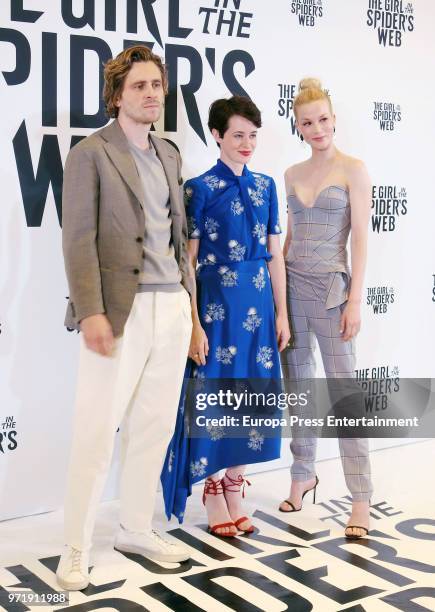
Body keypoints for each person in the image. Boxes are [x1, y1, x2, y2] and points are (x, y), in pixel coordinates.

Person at [57, 45, 193, 591]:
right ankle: (74, 548)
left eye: (157, 85)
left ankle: (136, 527)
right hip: (119, 311)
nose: (151, 94)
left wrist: (188, 305)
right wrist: (91, 310)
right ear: (117, 95)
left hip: (173, 307)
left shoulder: (170, 153)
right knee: (96, 433)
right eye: (139, 86)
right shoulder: (90, 153)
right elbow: (77, 240)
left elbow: (177, 237)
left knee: (154, 427)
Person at [161, 96, 290, 537]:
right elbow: (189, 261)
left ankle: (235, 487)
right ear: (216, 135)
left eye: (253, 135)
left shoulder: (266, 186)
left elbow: (274, 256)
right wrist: (194, 322)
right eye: (237, 135)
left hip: (258, 305)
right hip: (216, 308)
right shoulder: (199, 188)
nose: (247, 143)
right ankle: (213, 490)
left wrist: (283, 313)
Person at [279, 78, 373, 539]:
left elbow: (360, 239)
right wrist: (277, 299)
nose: (317, 128)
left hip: (334, 291)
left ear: (334, 120)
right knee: (300, 389)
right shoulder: (291, 174)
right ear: (298, 126)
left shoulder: (354, 169)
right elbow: (290, 238)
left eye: (323, 119)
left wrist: (355, 299)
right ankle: (302, 476)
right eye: (307, 122)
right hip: (293, 289)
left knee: (344, 395)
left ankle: (360, 497)